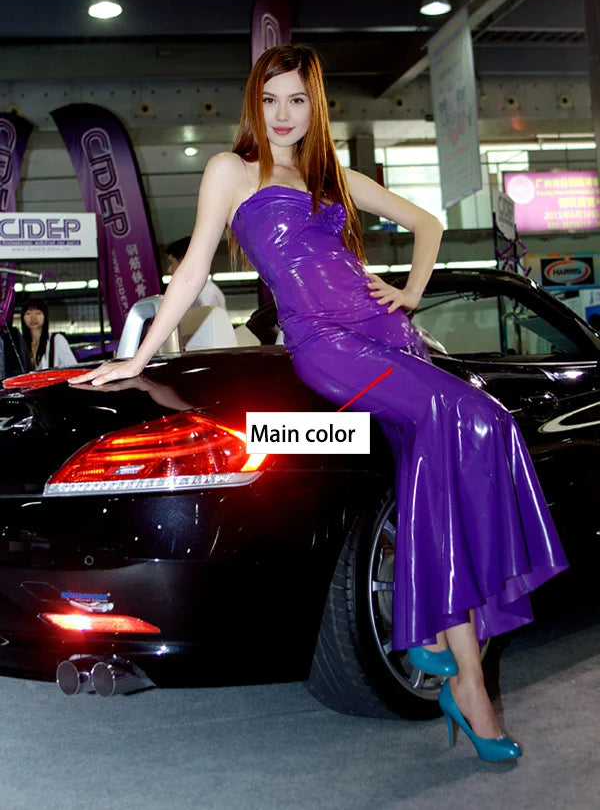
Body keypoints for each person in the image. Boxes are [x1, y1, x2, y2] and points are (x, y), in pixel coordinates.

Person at [72, 43, 567, 761]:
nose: (282, 113)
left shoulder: (332, 176)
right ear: (255, 101)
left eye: (297, 99)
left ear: (316, 105)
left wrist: (410, 293)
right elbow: (195, 269)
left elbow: (427, 224)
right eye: (270, 98)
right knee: (479, 418)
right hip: (327, 345)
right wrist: (140, 355)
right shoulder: (231, 171)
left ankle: (464, 678)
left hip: (390, 333)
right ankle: (436, 634)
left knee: (435, 473)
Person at [164, 236, 226, 309]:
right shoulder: (193, 291)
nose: (169, 270)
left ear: (184, 260)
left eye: (171, 263)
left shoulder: (206, 293)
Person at [21, 298, 77, 370]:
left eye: (38, 313)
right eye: (28, 313)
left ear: (45, 316)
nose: (33, 318)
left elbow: (72, 367)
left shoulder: (57, 340)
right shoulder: (21, 344)